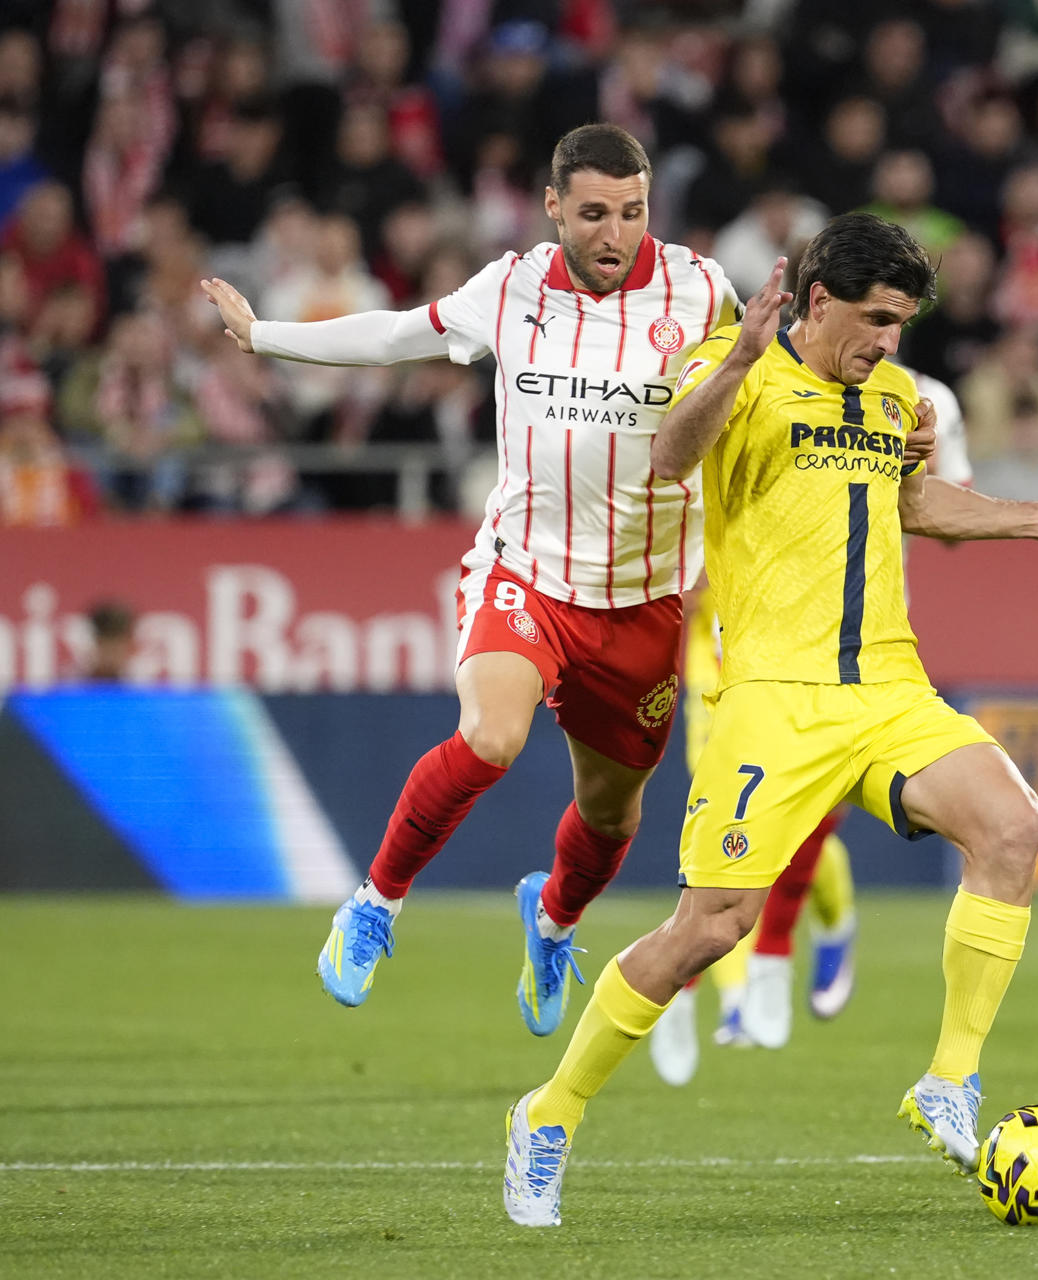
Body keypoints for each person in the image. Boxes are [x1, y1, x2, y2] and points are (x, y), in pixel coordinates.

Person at [501, 213, 1038, 1227]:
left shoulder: (894, 397)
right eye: (876, 319)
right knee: (710, 929)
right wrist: (740, 360)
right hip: (774, 697)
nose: (889, 342)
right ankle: (549, 1111)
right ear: (816, 301)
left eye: (902, 323)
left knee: (1014, 827)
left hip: (888, 685)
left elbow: (916, 505)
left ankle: (949, 1079)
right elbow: (670, 459)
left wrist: (1037, 520)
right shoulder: (740, 368)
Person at [199, 123, 750, 1038]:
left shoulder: (701, 290)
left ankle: (554, 920)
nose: (615, 234)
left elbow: (766, 394)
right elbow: (397, 336)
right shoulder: (514, 286)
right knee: (491, 736)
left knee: (611, 818)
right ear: (553, 208)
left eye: (632, 212)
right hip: (524, 573)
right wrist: (267, 337)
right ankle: (375, 904)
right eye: (594, 214)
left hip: (646, 597)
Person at [646, 367, 974, 1085]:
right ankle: (710, 982)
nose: (885, 331)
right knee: (730, 814)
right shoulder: (752, 377)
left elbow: (939, 515)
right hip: (741, 630)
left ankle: (773, 953)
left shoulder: (925, 398)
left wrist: (931, 469)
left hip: (864, 638)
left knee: (805, 815)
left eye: (898, 314)